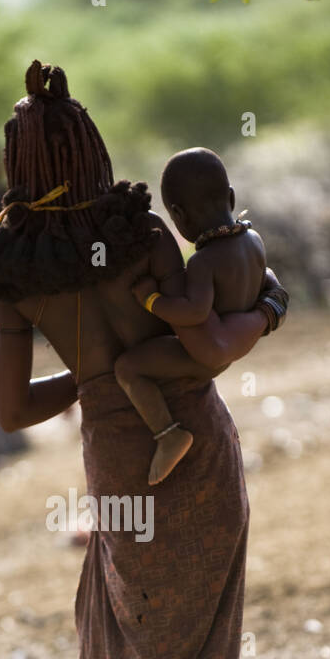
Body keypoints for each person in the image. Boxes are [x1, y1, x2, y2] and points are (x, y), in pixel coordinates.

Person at [0, 60, 289, 659]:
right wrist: (264, 312)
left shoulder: (12, 274)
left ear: (16, 165)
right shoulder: (144, 236)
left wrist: (87, 382)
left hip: (118, 462)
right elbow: (215, 323)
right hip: (200, 447)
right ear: (91, 150)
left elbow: (8, 410)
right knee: (213, 626)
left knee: (145, 634)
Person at [114, 147, 284, 484]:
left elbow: (193, 312)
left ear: (179, 216)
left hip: (204, 356)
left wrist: (150, 299)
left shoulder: (203, 262)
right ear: (231, 198)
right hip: (236, 343)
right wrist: (271, 307)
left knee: (128, 368)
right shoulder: (254, 240)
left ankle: (168, 435)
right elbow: (269, 280)